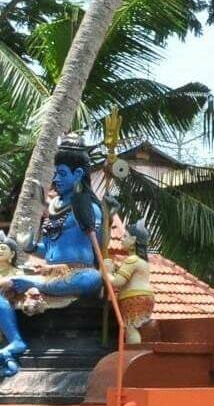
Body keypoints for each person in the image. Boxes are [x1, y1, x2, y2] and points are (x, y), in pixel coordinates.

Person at [0, 135, 104, 376]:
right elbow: (51, 251)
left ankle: (32, 285)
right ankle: (15, 340)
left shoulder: (89, 208)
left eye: (63, 173)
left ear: (78, 175)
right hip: (47, 272)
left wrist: (88, 219)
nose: (56, 178)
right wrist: (29, 247)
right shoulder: (55, 207)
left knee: (92, 278)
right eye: (56, 172)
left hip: (78, 272)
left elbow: (92, 246)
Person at [106, 224, 155, 345]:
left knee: (130, 327)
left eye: (125, 236)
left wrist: (106, 272)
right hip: (146, 297)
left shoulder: (131, 260)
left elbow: (117, 282)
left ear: (133, 240)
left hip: (133, 297)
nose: (122, 239)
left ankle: (132, 353)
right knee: (135, 326)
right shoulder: (143, 262)